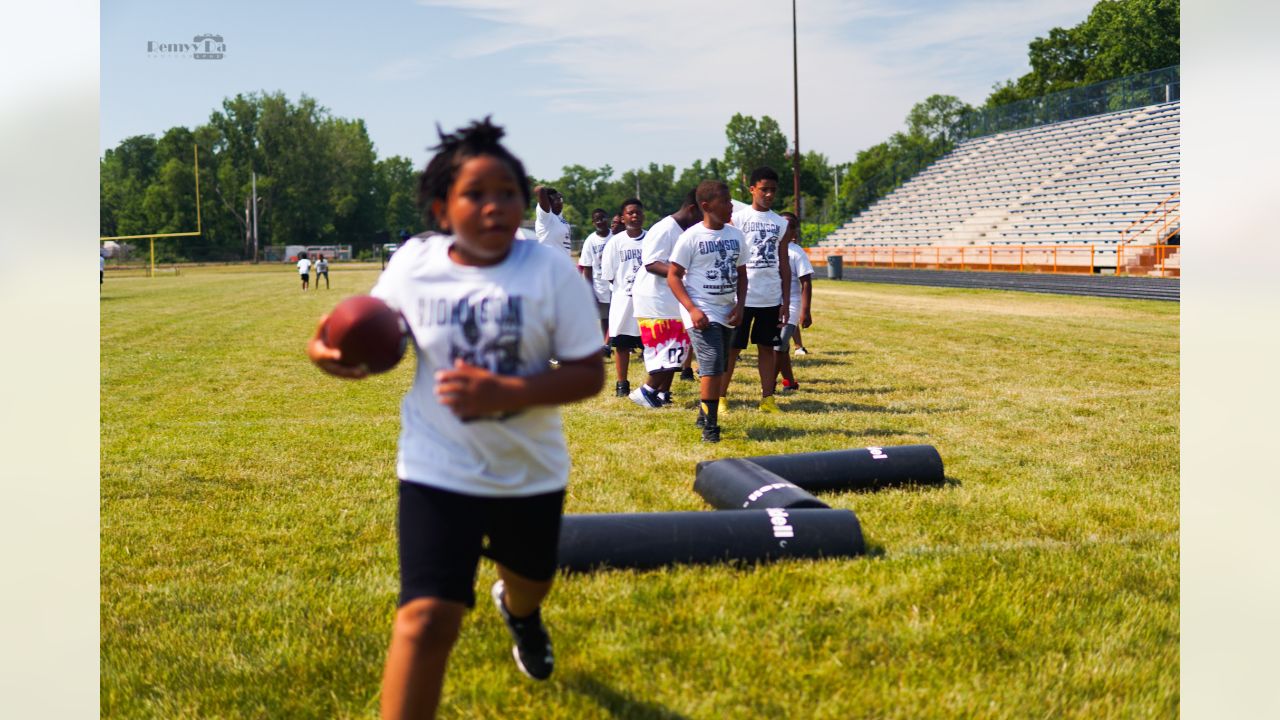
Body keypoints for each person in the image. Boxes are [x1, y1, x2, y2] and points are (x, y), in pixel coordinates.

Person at [308, 118, 604, 720]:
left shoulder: (548, 270)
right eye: (476, 194)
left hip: (528, 470)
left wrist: (505, 390)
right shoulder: (416, 262)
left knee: (530, 584)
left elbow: (587, 373)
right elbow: (372, 328)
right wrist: (332, 351)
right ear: (443, 207)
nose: (494, 206)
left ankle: (519, 613)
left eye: (508, 193)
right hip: (436, 466)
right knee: (424, 619)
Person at [668, 180, 747, 443]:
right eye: (724, 201)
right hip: (702, 310)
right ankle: (711, 427)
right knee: (712, 364)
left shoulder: (735, 235)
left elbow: (742, 273)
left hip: (727, 309)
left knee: (721, 363)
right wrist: (692, 309)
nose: (731, 205)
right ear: (705, 206)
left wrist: (740, 304)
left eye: (730, 200)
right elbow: (674, 276)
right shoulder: (690, 237)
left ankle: (703, 414)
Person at [723, 166, 791, 414]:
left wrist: (785, 299)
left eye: (773, 190)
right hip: (743, 297)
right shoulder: (738, 220)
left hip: (770, 296)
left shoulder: (780, 223)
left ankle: (767, 398)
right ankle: (721, 397)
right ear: (752, 190)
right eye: (764, 189)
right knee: (733, 349)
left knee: (766, 348)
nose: (769, 194)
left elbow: (783, 262)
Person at [629, 189, 702, 409]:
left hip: (672, 299)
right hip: (655, 299)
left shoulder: (687, 230)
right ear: (692, 209)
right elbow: (651, 263)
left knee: (678, 349)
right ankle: (645, 391)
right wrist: (684, 272)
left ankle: (661, 393)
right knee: (666, 350)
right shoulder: (664, 228)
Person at [600, 198, 647, 397]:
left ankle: (650, 386)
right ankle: (622, 384)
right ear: (622, 217)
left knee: (650, 346)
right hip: (623, 300)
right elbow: (610, 275)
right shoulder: (615, 243)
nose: (634, 216)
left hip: (648, 300)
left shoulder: (652, 238)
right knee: (621, 344)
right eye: (630, 213)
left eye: (638, 212)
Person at [773, 212, 813, 393]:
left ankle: (769, 385)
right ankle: (790, 382)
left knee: (779, 345)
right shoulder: (770, 248)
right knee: (781, 346)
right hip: (771, 303)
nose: (784, 229)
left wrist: (805, 311)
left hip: (792, 305)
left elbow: (806, 282)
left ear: (794, 231)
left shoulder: (796, 252)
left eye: (789, 226)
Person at [576, 208, 613, 358]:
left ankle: (609, 344)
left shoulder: (615, 237)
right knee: (605, 318)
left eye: (603, 218)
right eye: (597, 219)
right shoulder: (590, 240)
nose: (600, 222)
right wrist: (590, 291)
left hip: (616, 284)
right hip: (599, 286)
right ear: (593, 223)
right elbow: (587, 268)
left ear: (607, 219)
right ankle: (607, 346)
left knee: (617, 317)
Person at [533, 185, 572, 256]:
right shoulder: (546, 217)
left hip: (562, 263)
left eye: (561, 199)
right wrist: (547, 192)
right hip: (548, 261)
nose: (560, 202)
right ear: (549, 202)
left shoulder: (560, 218)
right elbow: (540, 189)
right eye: (557, 199)